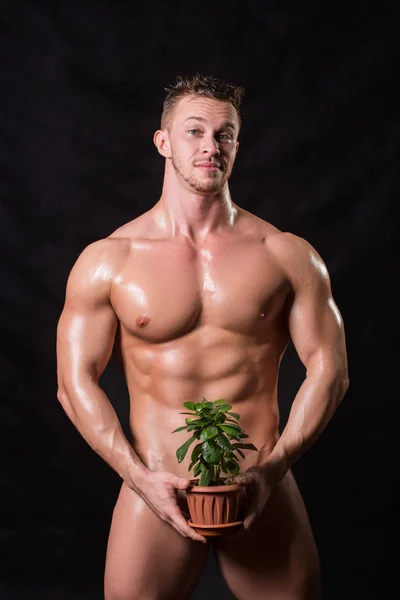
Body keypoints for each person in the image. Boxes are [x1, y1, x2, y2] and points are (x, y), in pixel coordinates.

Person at [56, 73, 349, 600]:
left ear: (237, 143)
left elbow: (331, 370)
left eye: (225, 134)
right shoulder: (110, 261)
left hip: (259, 482)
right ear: (163, 142)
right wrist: (138, 477)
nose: (211, 147)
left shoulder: (285, 254)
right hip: (155, 484)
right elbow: (73, 381)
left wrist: (275, 467)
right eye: (194, 132)